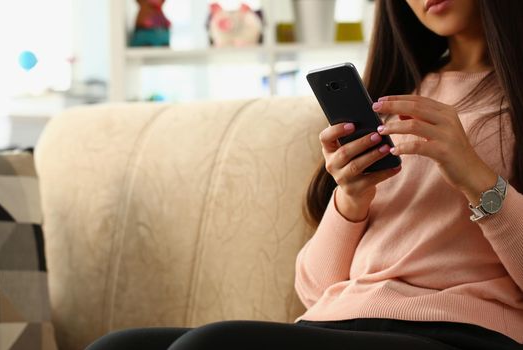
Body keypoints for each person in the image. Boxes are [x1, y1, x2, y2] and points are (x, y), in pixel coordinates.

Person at [86, 0, 523, 349]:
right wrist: (350, 199)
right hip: (344, 321)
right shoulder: (396, 94)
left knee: (213, 344)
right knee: (117, 345)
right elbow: (316, 291)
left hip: (464, 332)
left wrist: (476, 177)